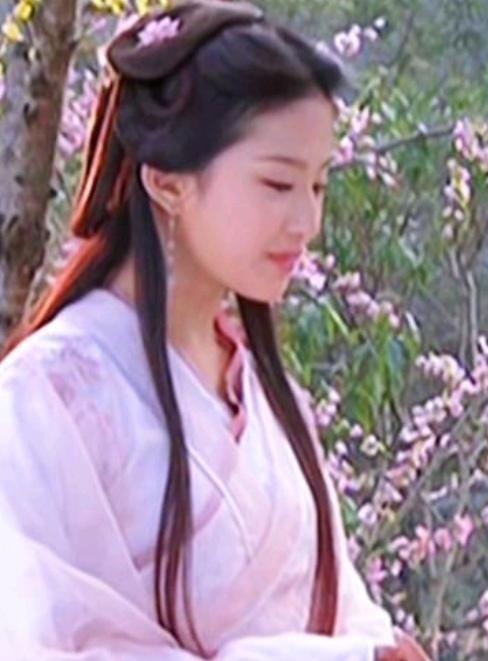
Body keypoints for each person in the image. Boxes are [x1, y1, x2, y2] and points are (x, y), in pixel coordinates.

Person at [0, 2, 427, 659]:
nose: (307, 222)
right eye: (278, 183)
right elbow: (41, 642)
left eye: (318, 186)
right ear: (167, 182)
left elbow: (342, 606)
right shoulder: (46, 395)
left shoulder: (268, 395)